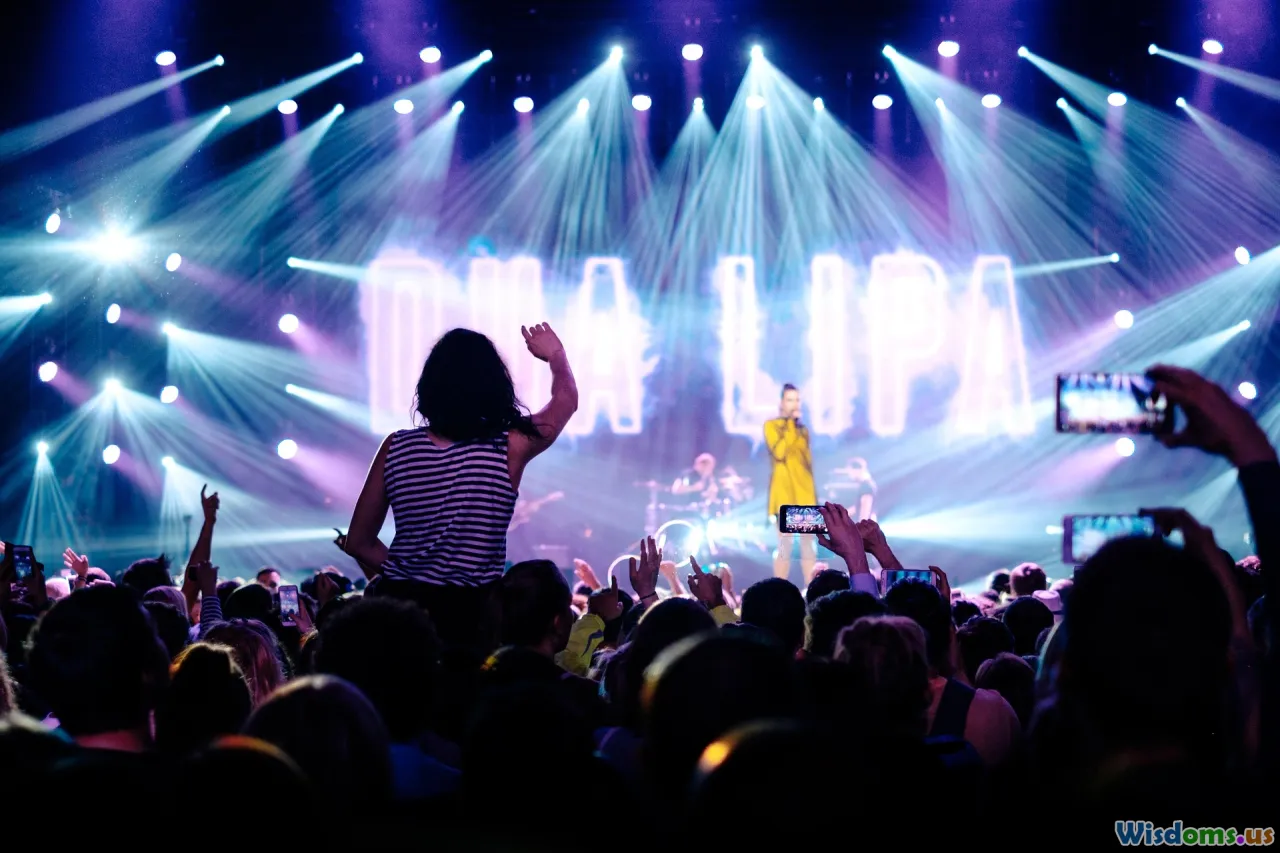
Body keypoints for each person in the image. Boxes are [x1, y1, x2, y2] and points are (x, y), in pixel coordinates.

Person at [343, 323, 578, 650]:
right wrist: (556, 356)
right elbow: (565, 401)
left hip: (398, 613)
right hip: (472, 619)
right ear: (494, 386)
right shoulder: (508, 446)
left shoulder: (396, 446)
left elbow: (358, 542)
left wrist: (410, 576)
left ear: (430, 386)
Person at [765, 384, 817, 582]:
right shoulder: (771, 426)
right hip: (784, 495)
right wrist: (789, 425)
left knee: (808, 545)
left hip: (805, 495)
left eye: (797, 400)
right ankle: (780, 586)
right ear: (781, 403)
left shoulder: (803, 431)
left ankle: (811, 587)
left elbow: (807, 464)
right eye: (789, 399)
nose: (794, 404)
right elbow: (779, 453)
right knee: (785, 543)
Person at [827, 456, 878, 521]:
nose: (849, 474)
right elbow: (857, 507)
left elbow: (865, 510)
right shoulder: (865, 484)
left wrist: (862, 527)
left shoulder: (866, 486)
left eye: (850, 471)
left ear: (857, 470)